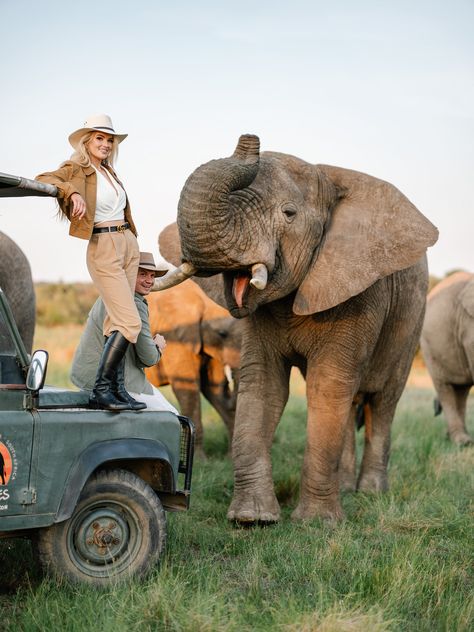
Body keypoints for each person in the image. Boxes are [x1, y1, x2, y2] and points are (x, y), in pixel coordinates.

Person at [36, 114, 142, 411]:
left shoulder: (109, 171)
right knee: (130, 322)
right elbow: (45, 179)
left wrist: (131, 241)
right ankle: (101, 390)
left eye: (109, 140)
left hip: (127, 242)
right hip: (104, 244)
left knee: (115, 322)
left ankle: (117, 390)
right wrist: (71, 193)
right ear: (87, 141)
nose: (106, 144)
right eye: (100, 138)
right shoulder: (77, 168)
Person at [71, 252, 178, 414]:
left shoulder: (107, 296)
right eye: (142, 274)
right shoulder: (135, 302)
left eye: (152, 275)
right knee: (173, 417)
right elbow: (148, 358)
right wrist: (158, 346)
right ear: (128, 274)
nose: (149, 281)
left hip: (86, 379)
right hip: (119, 385)